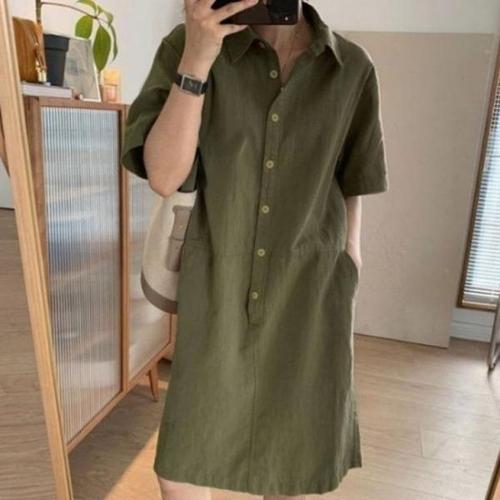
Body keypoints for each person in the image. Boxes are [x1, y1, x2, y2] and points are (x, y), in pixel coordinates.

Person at [121, 0, 389, 499]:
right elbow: (163, 175)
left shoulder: (351, 67)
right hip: (217, 279)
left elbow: (356, 176)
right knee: (181, 467)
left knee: (292, 462)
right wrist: (197, 59)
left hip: (310, 282)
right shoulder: (187, 46)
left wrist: (351, 254)